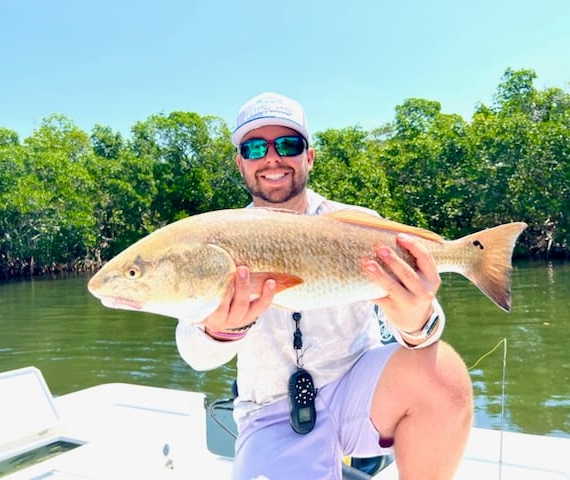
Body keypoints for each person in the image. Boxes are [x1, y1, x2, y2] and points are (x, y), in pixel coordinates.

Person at [176, 92, 473, 479]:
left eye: (287, 144)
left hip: (359, 391)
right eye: (253, 148)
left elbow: (430, 327)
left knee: (443, 372)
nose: (271, 158)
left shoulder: (358, 224)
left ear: (309, 156)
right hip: (270, 410)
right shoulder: (220, 237)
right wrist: (216, 329)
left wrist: (417, 321)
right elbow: (195, 355)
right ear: (240, 163)